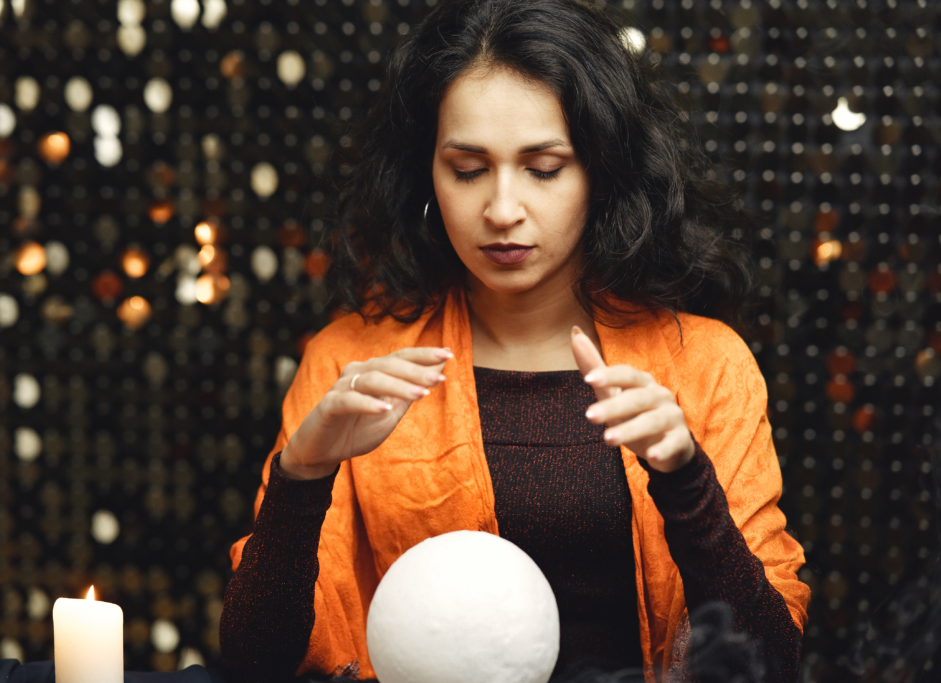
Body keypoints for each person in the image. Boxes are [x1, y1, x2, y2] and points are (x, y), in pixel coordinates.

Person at [219, 1, 809, 682]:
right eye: (468, 170)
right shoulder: (352, 363)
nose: (502, 210)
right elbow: (254, 663)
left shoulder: (705, 364)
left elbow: (773, 664)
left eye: (545, 167)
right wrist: (301, 479)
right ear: (427, 174)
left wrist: (684, 477)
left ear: (601, 171)